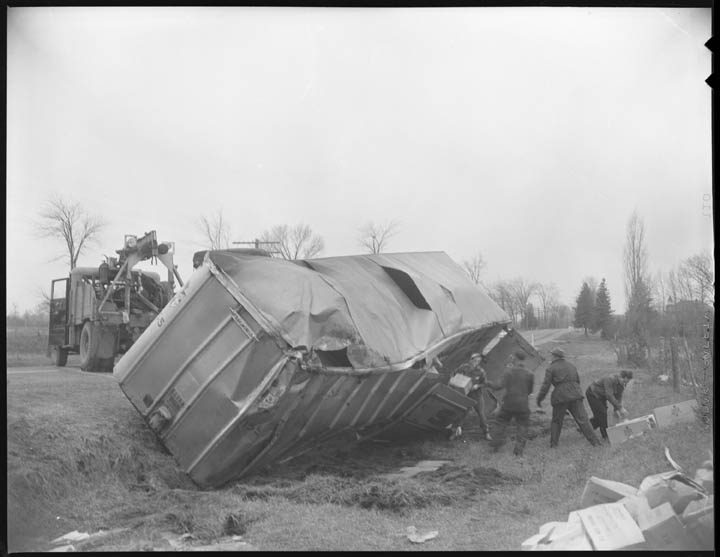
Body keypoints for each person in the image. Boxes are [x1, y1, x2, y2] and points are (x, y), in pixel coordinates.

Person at [536, 348, 601, 448]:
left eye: (552, 355)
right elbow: (577, 380)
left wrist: (539, 399)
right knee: (583, 420)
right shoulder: (571, 366)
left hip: (560, 397)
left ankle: (554, 445)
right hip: (576, 394)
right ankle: (596, 443)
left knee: (557, 421)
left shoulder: (551, 368)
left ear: (555, 356)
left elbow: (546, 385)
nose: (551, 357)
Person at [486, 350, 535, 456]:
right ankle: (518, 451)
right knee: (522, 426)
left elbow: (498, 386)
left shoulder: (509, 372)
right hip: (523, 404)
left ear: (515, 358)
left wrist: (487, 383)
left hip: (509, 403)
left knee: (500, 422)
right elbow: (530, 390)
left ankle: (495, 446)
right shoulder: (530, 374)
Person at [585, 370, 633, 441]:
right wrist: (620, 408)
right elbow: (609, 395)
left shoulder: (622, 385)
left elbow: (618, 397)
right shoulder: (610, 379)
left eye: (626, 382)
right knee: (602, 413)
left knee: (600, 415)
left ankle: (584, 428)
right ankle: (606, 436)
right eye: (624, 381)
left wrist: (617, 410)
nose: (624, 384)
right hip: (593, 393)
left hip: (601, 396)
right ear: (620, 377)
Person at [455, 353, 491, 441]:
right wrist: (458, 379)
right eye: (475, 361)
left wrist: (477, 386)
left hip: (477, 395)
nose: (476, 363)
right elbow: (454, 374)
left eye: (478, 361)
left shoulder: (481, 371)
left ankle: (486, 432)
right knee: (462, 412)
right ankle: (455, 431)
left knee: (481, 414)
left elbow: (485, 383)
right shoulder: (463, 367)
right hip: (466, 394)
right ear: (470, 360)